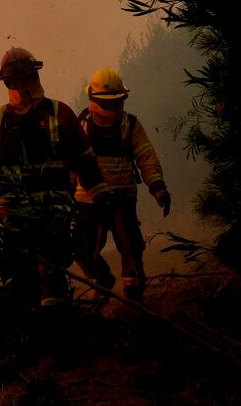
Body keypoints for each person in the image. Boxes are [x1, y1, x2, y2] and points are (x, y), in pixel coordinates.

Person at [0, 47, 107, 309]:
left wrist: (99, 192)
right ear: (5, 82)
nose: (20, 85)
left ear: (35, 75)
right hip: (13, 214)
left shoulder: (60, 113)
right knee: (19, 275)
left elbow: (85, 159)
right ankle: (29, 321)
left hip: (53, 213)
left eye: (24, 77)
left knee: (52, 273)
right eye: (13, 80)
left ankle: (56, 319)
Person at [73, 67, 170, 304]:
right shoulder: (81, 126)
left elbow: (146, 157)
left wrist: (158, 188)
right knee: (81, 248)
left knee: (131, 247)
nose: (113, 109)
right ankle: (102, 280)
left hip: (122, 198)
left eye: (117, 102)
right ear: (93, 100)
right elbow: (70, 163)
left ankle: (135, 299)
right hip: (88, 199)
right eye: (108, 104)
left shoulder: (131, 125)